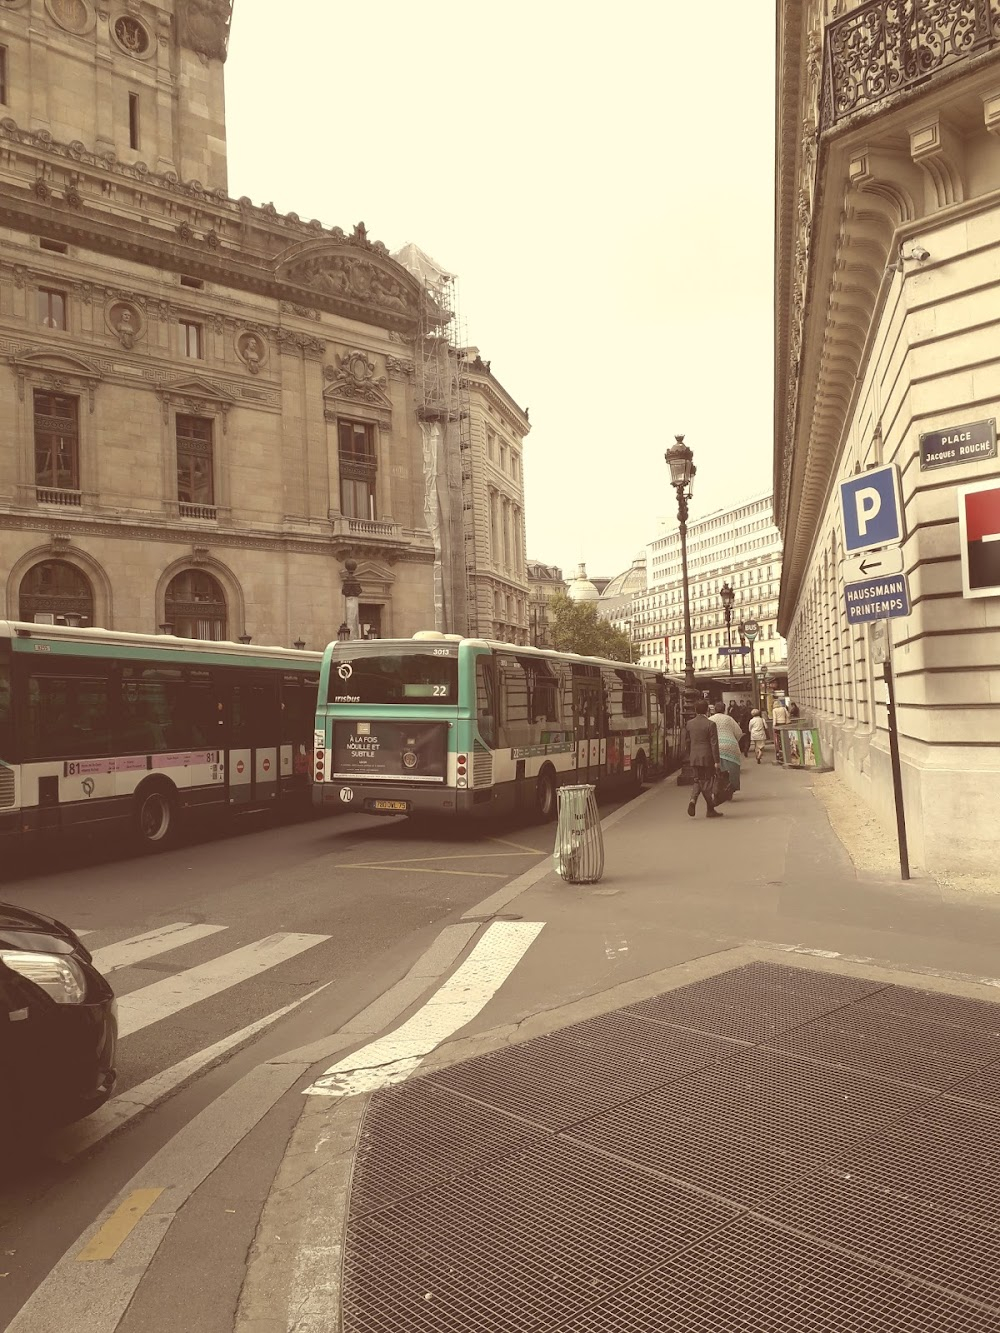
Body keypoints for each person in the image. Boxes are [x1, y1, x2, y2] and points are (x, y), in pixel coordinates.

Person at [684, 698, 722, 818]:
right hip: (707, 757)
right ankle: (710, 808)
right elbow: (714, 743)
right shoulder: (711, 724)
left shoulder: (689, 724)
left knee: (698, 780)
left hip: (694, 757)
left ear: (695, 710)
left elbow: (687, 742)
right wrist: (717, 761)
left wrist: (690, 755)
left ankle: (693, 800)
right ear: (707, 710)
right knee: (708, 782)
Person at [710, 702, 744, 799]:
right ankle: (730, 790)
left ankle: (717, 790)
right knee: (733, 770)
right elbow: (739, 732)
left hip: (715, 747)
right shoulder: (729, 719)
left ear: (714, 710)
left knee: (717, 772)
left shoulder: (710, 719)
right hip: (730, 746)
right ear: (724, 709)